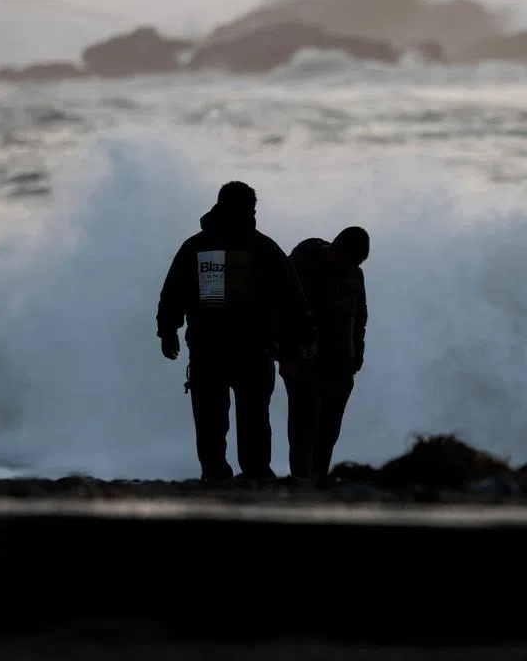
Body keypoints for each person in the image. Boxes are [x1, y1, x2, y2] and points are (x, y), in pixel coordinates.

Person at [156, 181, 316, 482]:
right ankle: (252, 472)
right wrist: (303, 339)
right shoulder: (263, 247)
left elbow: (173, 292)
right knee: (251, 416)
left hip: (212, 348)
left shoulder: (197, 246)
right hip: (250, 349)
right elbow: (292, 298)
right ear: (250, 210)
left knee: (212, 418)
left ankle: (217, 472)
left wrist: (168, 331)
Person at [282, 226, 369, 480]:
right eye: (351, 259)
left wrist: (357, 353)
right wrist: (287, 356)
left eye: (358, 262)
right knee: (303, 429)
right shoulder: (299, 267)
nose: (352, 266)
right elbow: (281, 315)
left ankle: (317, 479)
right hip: (304, 362)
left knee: (328, 431)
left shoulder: (355, 274)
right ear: (335, 249)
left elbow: (360, 316)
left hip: (341, 364)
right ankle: (302, 480)